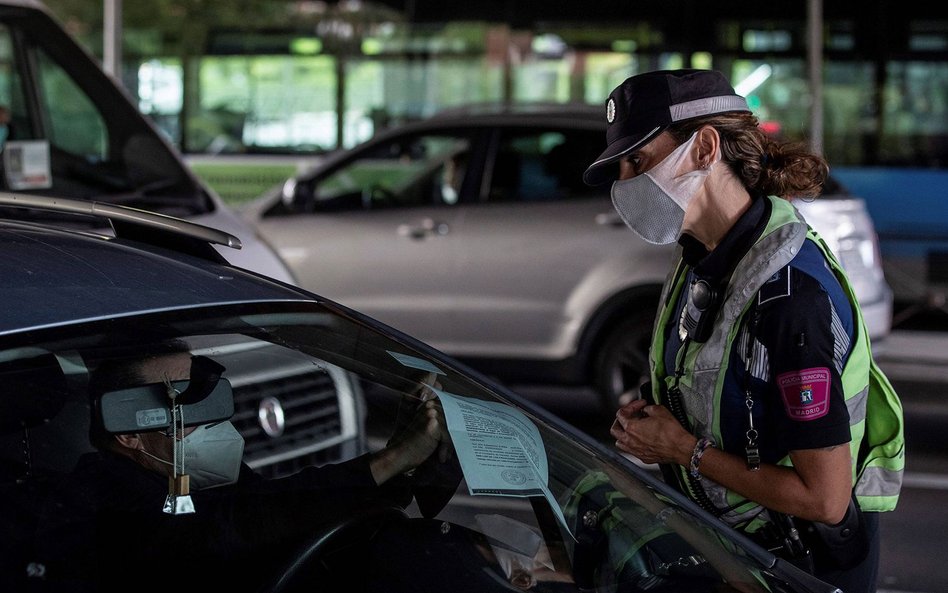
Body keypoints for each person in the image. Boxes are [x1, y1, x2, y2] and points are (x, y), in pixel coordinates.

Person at [584, 69, 904, 592]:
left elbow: (824, 500)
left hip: (800, 570)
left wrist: (682, 448)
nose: (624, 181)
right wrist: (657, 421)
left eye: (637, 160)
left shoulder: (789, 295)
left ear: (706, 147)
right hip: (735, 553)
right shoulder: (704, 258)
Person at [33, 341, 455, 593]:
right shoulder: (102, 498)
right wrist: (387, 459)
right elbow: (234, 525)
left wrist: (405, 465)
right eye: (184, 403)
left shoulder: (187, 477)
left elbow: (289, 507)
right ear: (129, 432)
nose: (211, 421)